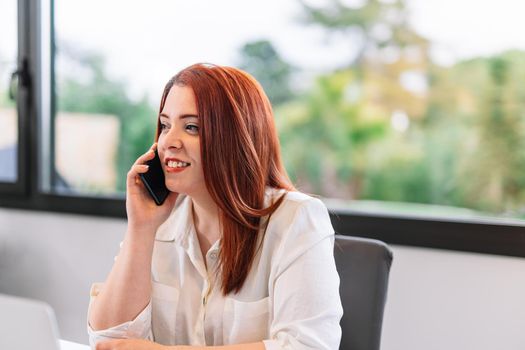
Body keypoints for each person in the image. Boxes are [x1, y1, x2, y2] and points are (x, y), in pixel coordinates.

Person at [87, 63, 343, 350]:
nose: (168, 141)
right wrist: (140, 228)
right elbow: (107, 342)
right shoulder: (160, 221)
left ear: (234, 138)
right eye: (165, 125)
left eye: (191, 127)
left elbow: (308, 347)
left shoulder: (295, 219)